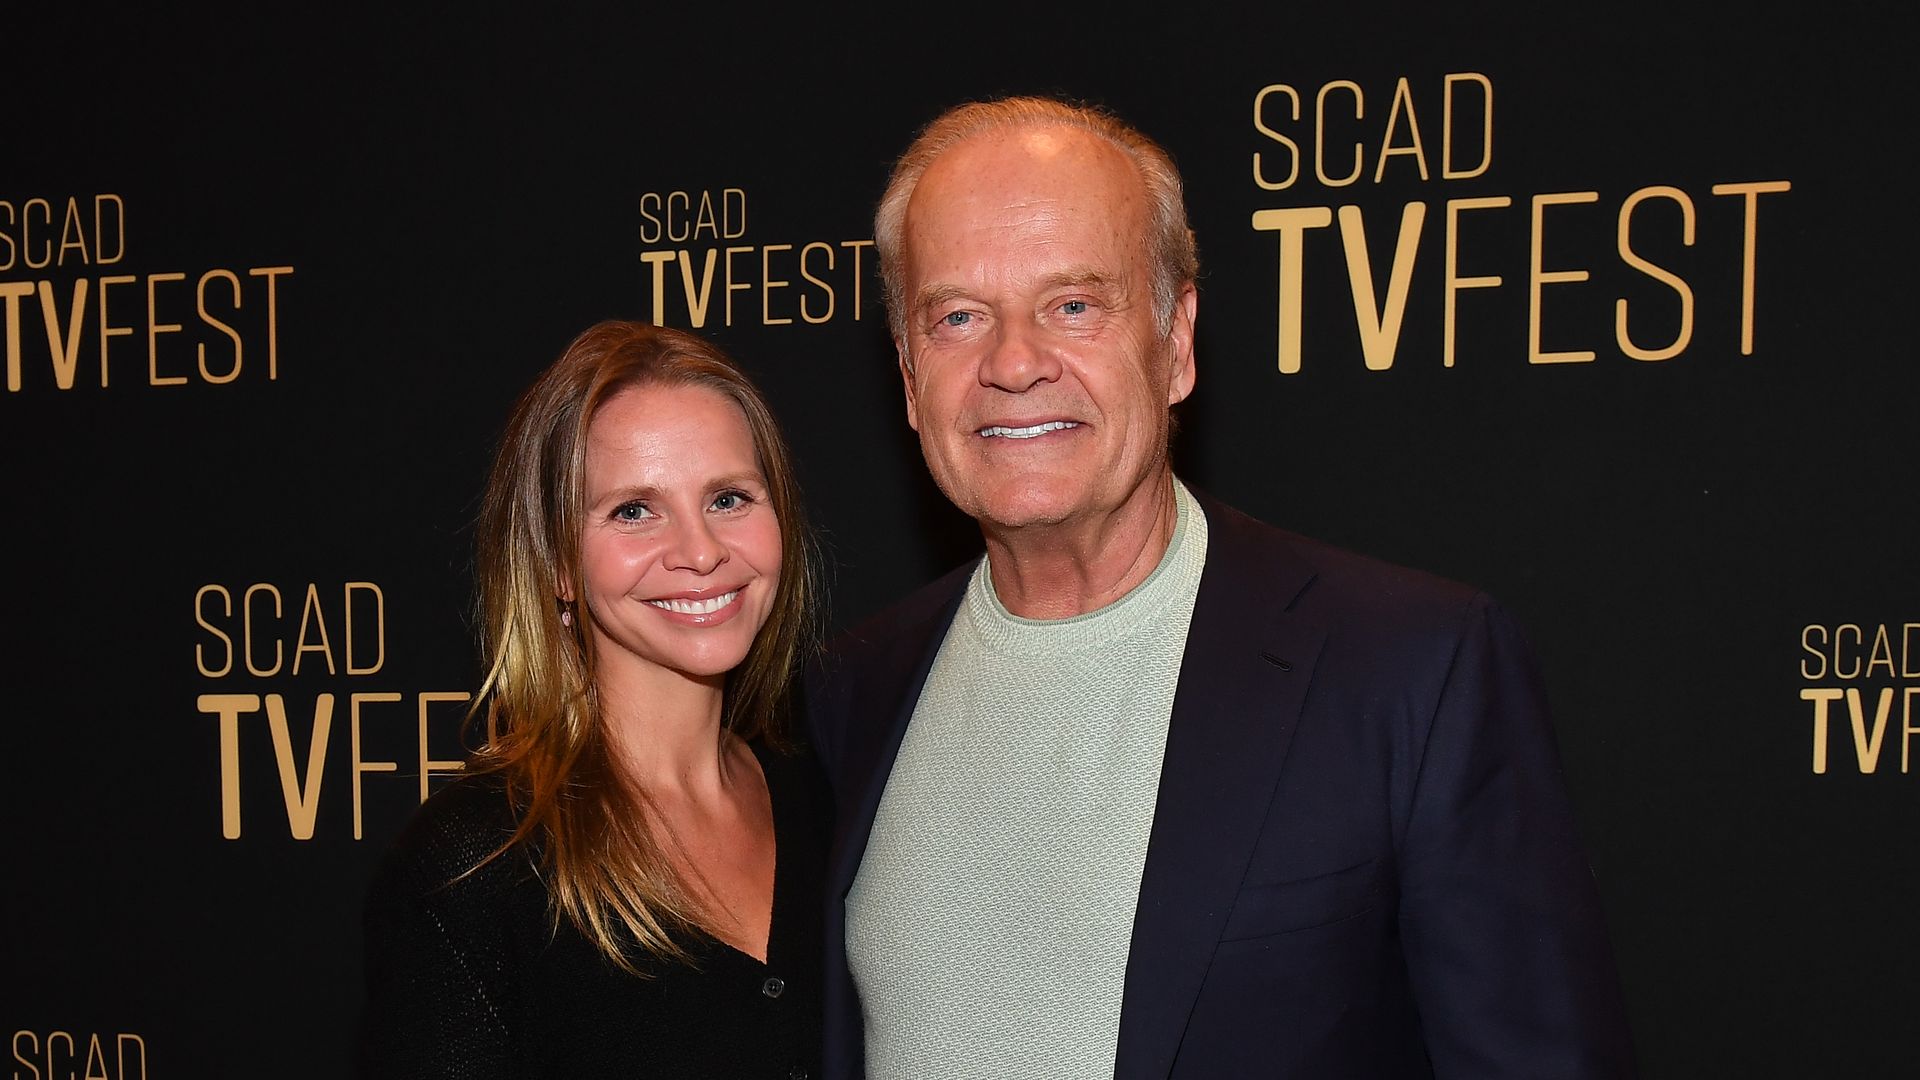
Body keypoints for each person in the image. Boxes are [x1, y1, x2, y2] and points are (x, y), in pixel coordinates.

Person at [806, 97, 1637, 1078]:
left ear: (1176, 342)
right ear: (910, 376)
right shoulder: (850, 694)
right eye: (957, 317)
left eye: (1074, 306)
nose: (1014, 362)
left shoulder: (1412, 672)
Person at [360, 321, 825, 1079]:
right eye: (634, 510)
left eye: (729, 498)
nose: (701, 551)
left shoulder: (833, 799)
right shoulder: (476, 870)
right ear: (557, 562)